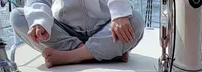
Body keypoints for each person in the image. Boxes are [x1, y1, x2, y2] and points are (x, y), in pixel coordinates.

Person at [11, 0, 145, 68]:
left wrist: (119, 13)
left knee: (136, 20)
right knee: (17, 17)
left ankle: (72, 56)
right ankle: (106, 53)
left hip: (105, 27)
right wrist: (39, 22)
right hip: (67, 33)